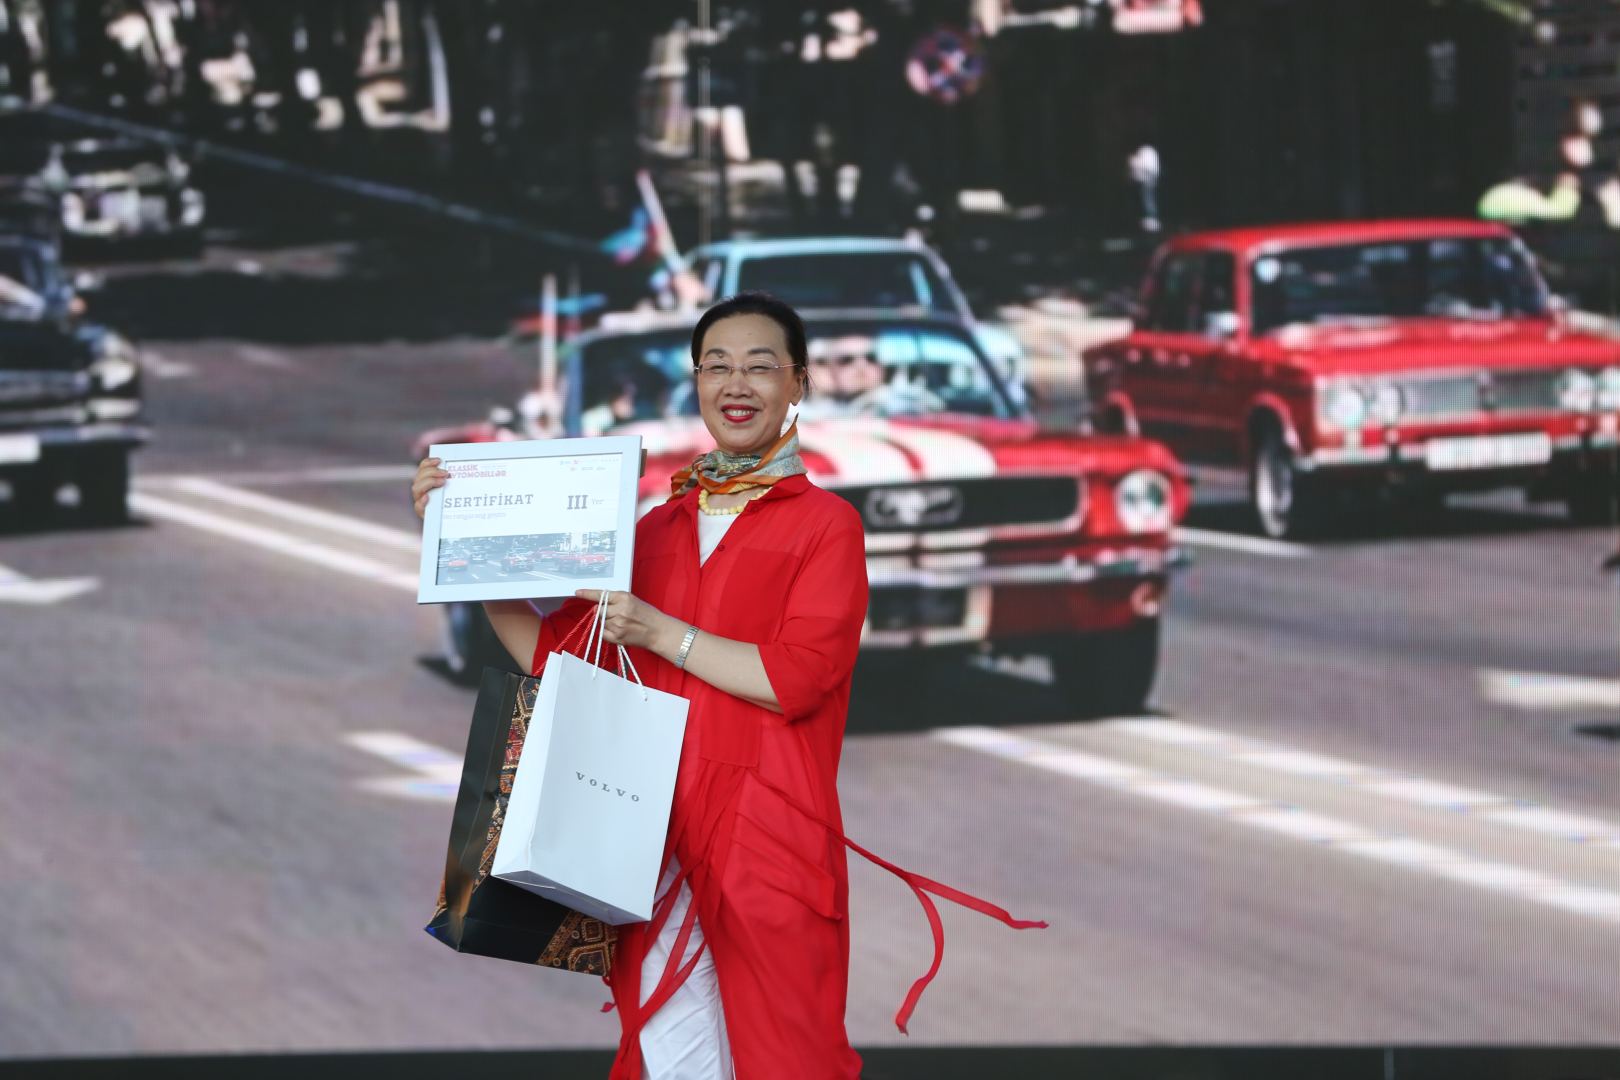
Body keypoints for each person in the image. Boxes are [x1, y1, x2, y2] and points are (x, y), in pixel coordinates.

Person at [412, 292, 1044, 1079]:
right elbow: (558, 658)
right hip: (654, 851)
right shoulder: (652, 531)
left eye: (759, 366)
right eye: (717, 366)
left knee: (792, 1063)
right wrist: (461, 546)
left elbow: (796, 680)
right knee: (666, 1065)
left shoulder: (825, 527)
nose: (735, 384)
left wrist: (659, 632)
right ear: (697, 383)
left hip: (768, 850)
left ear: (799, 385)